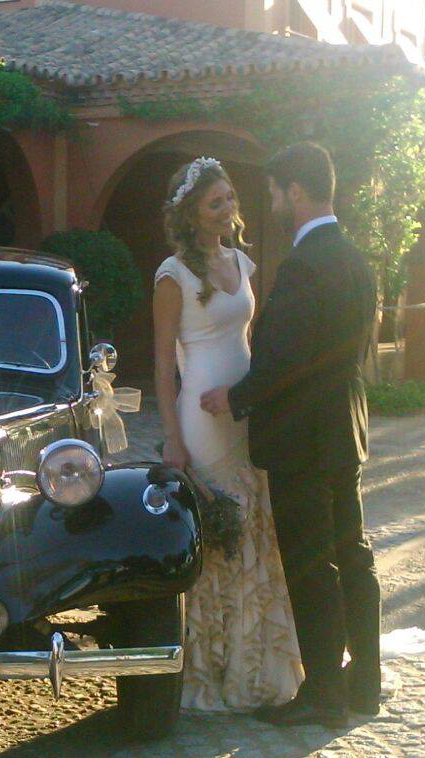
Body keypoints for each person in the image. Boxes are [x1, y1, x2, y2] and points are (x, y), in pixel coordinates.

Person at [200, 142, 383, 729]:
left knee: (310, 563)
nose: (272, 201)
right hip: (343, 429)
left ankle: (325, 692)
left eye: (276, 191)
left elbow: (284, 358)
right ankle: (367, 682)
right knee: (353, 554)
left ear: (295, 191)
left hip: (303, 437)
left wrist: (236, 397)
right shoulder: (356, 259)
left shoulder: (303, 265)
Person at [151, 156, 303, 712]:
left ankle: (259, 659)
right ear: (191, 214)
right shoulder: (174, 276)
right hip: (203, 416)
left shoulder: (244, 263)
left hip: (245, 411)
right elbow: (163, 364)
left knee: (258, 525)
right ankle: (216, 667)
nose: (228, 208)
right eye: (216, 202)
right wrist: (172, 437)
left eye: (230, 199)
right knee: (226, 532)